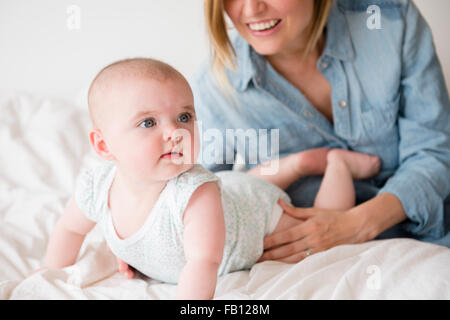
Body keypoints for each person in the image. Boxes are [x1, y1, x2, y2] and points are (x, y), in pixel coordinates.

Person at [37, 58, 382, 299]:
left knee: (316, 224)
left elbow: (203, 263)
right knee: (239, 183)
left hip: (257, 219)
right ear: (103, 145)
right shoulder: (96, 187)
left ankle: (337, 165)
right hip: (234, 191)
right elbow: (69, 230)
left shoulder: (196, 193)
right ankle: (295, 164)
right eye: (148, 123)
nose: (174, 132)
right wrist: (48, 280)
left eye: (184, 116)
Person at [187, 0, 450, 265]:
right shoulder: (213, 89)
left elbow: (435, 152)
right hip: (312, 264)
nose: (252, 9)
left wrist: (355, 225)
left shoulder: (390, 21)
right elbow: (198, 197)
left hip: (425, 240)